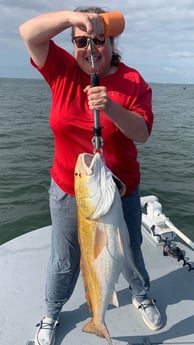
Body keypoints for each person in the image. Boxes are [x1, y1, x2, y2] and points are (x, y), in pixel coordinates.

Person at [19, 6, 162, 345]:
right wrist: (71, 17)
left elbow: (141, 133)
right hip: (70, 190)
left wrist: (110, 106)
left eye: (98, 40)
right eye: (80, 41)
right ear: (72, 45)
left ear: (111, 44)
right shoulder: (61, 70)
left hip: (120, 189)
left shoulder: (132, 81)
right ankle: (52, 312)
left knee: (129, 250)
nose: (89, 49)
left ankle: (140, 294)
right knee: (64, 257)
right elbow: (28, 33)